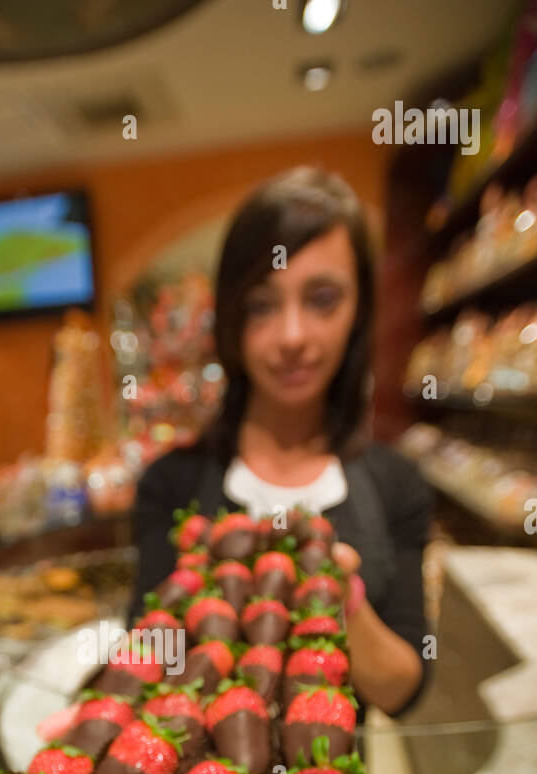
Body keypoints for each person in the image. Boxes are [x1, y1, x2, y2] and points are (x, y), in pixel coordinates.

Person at [131, 167, 432, 717]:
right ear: (230, 319)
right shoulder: (170, 484)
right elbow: (147, 660)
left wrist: (344, 598)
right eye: (262, 305)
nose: (292, 336)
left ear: (358, 311)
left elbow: (402, 692)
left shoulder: (397, 485)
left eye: (322, 299)